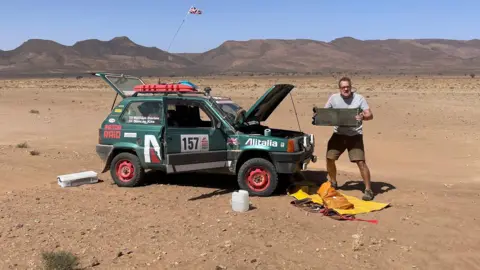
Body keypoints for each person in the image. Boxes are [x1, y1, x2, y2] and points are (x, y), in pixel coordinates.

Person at [324, 77, 374, 201]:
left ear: (351, 87)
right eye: (343, 87)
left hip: (354, 135)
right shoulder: (333, 98)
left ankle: (368, 190)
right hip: (338, 134)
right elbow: (325, 113)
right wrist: (320, 116)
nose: (346, 89)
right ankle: (333, 182)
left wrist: (363, 116)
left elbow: (370, 114)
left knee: (361, 162)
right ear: (339, 88)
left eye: (348, 86)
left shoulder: (359, 98)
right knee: (330, 158)